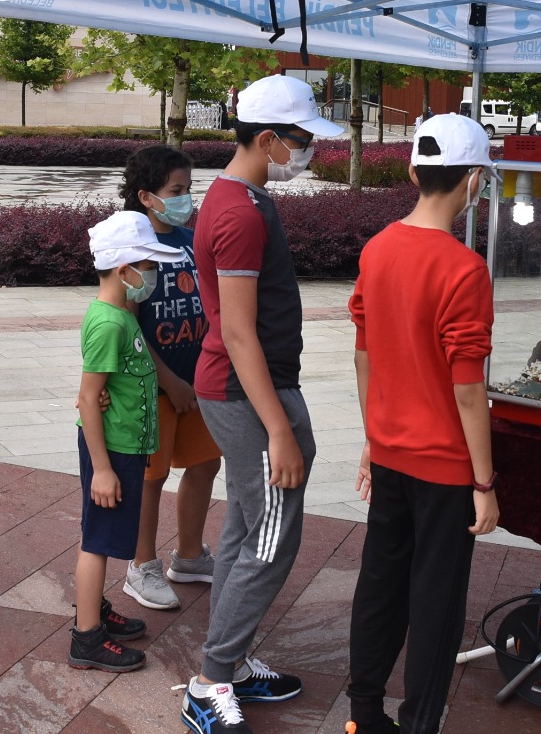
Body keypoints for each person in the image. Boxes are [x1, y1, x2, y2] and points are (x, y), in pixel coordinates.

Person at [182, 74, 345, 734]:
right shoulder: (240, 212)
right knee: (273, 537)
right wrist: (279, 429)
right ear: (270, 138)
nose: (309, 150)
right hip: (247, 392)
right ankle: (211, 678)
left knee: (247, 528)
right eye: (303, 140)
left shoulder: (241, 197)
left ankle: (232, 661)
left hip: (244, 388)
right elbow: (239, 331)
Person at [346, 114, 498, 734]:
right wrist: (484, 484)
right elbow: (469, 393)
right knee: (436, 598)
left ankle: (362, 715)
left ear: (412, 172)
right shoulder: (463, 269)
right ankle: (418, 723)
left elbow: (364, 355)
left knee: (380, 581)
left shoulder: (378, 248)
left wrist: (373, 435)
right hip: (442, 465)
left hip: (389, 451)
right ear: (474, 182)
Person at [71, 211, 180, 672]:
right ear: (125, 271)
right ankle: (86, 638)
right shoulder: (110, 323)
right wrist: (102, 468)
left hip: (124, 448)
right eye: (149, 266)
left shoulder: (121, 313)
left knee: (108, 535)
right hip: (111, 452)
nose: (153, 275)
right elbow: (87, 395)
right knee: (97, 540)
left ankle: (94, 609)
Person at [117, 146, 222, 613]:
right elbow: (128, 325)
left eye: (188, 190)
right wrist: (168, 382)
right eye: (176, 192)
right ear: (146, 196)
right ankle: (142, 566)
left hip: (198, 380)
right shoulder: (133, 247)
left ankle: (191, 555)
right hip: (152, 387)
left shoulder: (188, 239)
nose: (186, 199)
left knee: (204, 464)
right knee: (151, 476)